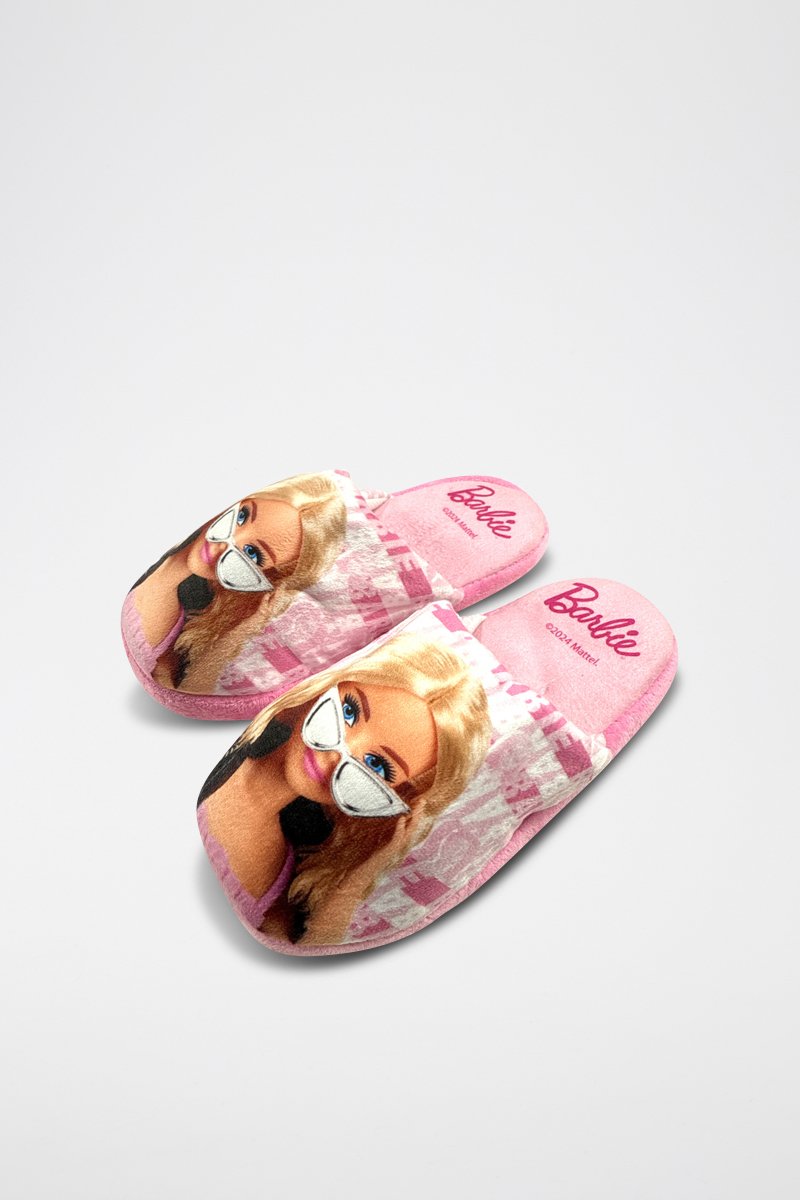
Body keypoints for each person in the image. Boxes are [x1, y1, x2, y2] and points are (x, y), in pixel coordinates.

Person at [197, 633, 492, 946]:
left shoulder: (287, 872)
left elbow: (298, 946)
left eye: (377, 765)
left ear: (396, 798)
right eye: (349, 711)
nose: (339, 753)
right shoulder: (229, 755)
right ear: (331, 683)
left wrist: (354, 884)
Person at [124, 472, 348, 693]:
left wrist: (244, 630)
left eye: (252, 553)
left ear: (266, 575)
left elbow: (185, 688)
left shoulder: (202, 608)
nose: (226, 543)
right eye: (242, 515)